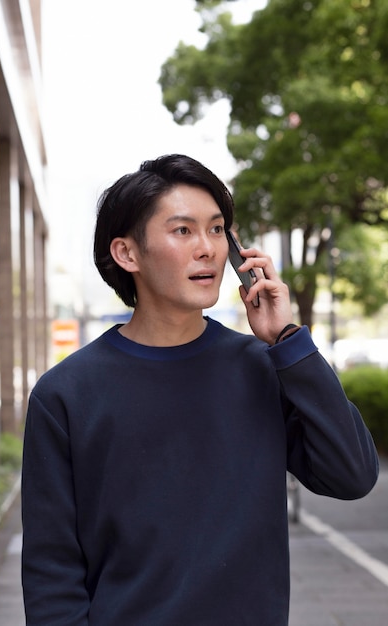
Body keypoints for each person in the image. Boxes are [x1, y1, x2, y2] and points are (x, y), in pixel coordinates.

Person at [21, 154, 379, 626]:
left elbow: (351, 475)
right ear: (127, 253)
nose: (207, 248)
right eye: (183, 231)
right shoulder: (66, 394)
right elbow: (51, 572)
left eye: (216, 230)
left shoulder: (261, 368)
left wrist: (288, 341)